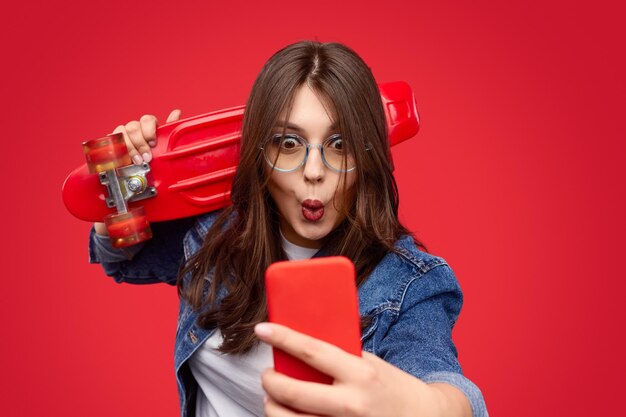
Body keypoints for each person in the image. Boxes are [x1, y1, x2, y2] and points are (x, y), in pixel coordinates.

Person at [89, 41, 488, 417]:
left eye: (339, 144)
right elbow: (122, 259)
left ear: (368, 159)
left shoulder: (409, 283)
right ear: (260, 152)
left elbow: (444, 382)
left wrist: (424, 407)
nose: (313, 172)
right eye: (289, 143)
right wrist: (132, 186)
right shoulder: (215, 229)